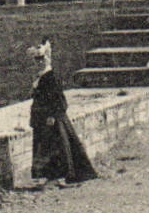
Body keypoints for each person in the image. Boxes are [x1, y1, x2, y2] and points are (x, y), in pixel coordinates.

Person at [27, 37, 98, 187]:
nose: (39, 63)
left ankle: (60, 176)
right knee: (46, 146)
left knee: (57, 147)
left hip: (52, 119)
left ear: (47, 59)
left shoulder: (51, 77)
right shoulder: (41, 77)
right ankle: (49, 176)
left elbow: (59, 99)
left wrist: (53, 115)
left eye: (41, 59)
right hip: (42, 118)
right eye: (36, 60)